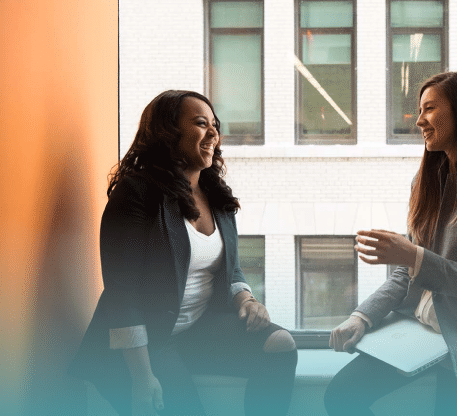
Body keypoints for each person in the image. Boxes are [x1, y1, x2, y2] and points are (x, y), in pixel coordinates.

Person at [69, 90, 297, 416]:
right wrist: (142, 378)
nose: (214, 133)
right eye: (201, 123)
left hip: (195, 332)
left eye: (215, 125)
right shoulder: (136, 193)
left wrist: (245, 299)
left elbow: (228, 269)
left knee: (281, 345)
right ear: (168, 132)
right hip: (146, 345)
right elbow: (123, 293)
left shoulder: (215, 195)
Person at [325, 71, 457, 416]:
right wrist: (362, 316)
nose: (419, 121)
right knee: (340, 397)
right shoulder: (427, 179)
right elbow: (406, 274)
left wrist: (414, 255)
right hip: (419, 333)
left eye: (429, 109)